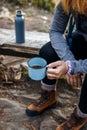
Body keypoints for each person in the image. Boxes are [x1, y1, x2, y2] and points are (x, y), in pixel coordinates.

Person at [26, 0, 87, 129]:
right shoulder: (69, 2)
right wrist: (69, 62)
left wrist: (73, 67)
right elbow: (55, 31)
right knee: (47, 52)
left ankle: (81, 115)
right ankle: (48, 96)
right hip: (83, 40)